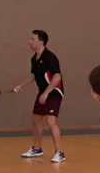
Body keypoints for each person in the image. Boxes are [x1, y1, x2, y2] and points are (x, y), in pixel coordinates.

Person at [13, 30, 65, 163]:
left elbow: (57, 77)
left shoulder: (50, 57)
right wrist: (21, 85)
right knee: (36, 120)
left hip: (54, 92)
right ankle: (37, 149)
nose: (29, 42)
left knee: (51, 121)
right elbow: (34, 75)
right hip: (43, 92)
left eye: (32, 39)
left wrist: (46, 93)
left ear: (41, 41)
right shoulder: (34, 58)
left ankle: (59, 153)